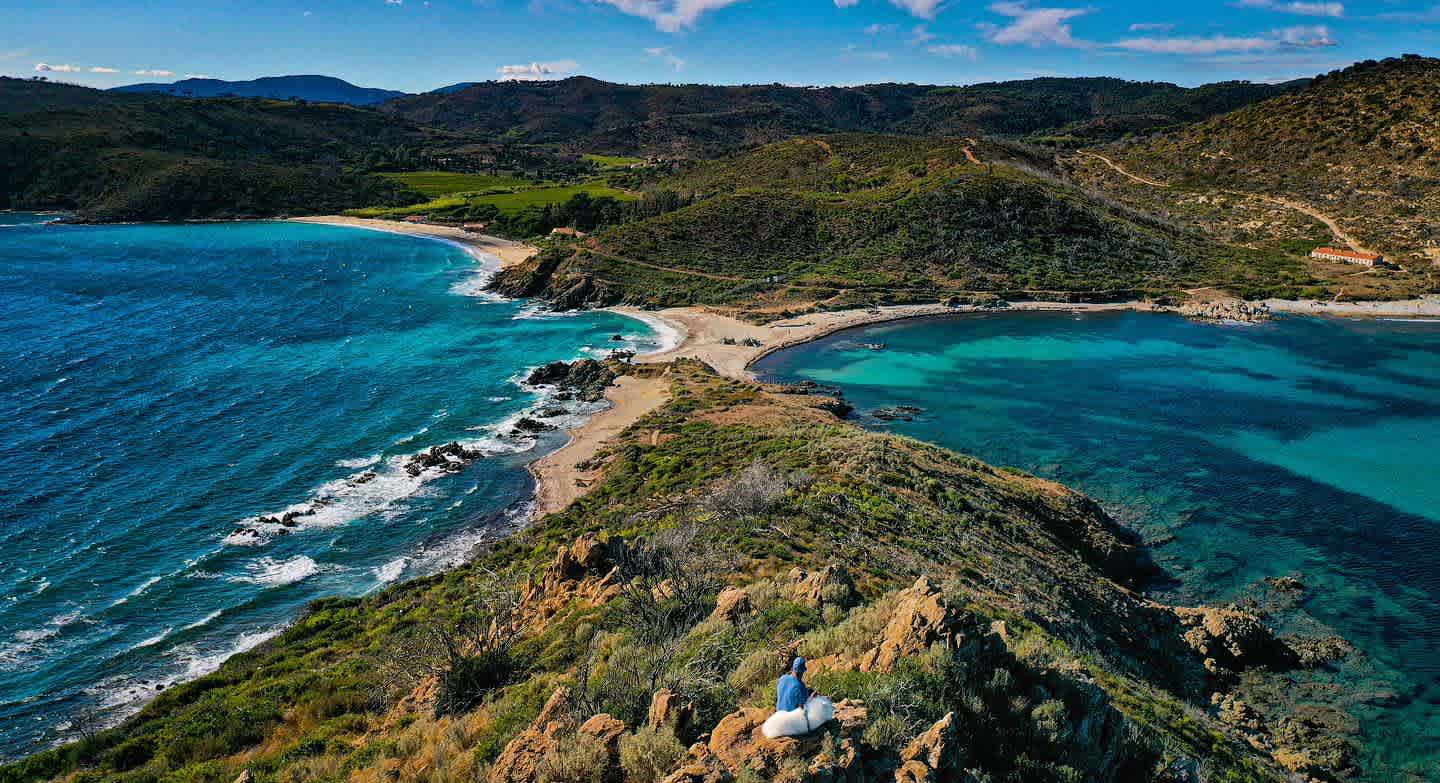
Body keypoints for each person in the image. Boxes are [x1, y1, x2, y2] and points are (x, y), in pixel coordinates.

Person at [762, 656, 834, 739]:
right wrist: (812, 698)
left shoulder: (783, 678)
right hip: (790, 721)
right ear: (802, 671)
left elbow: (788, 692)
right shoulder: (800, 686)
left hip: (779, 714)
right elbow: (803, 708)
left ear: (793, 668)